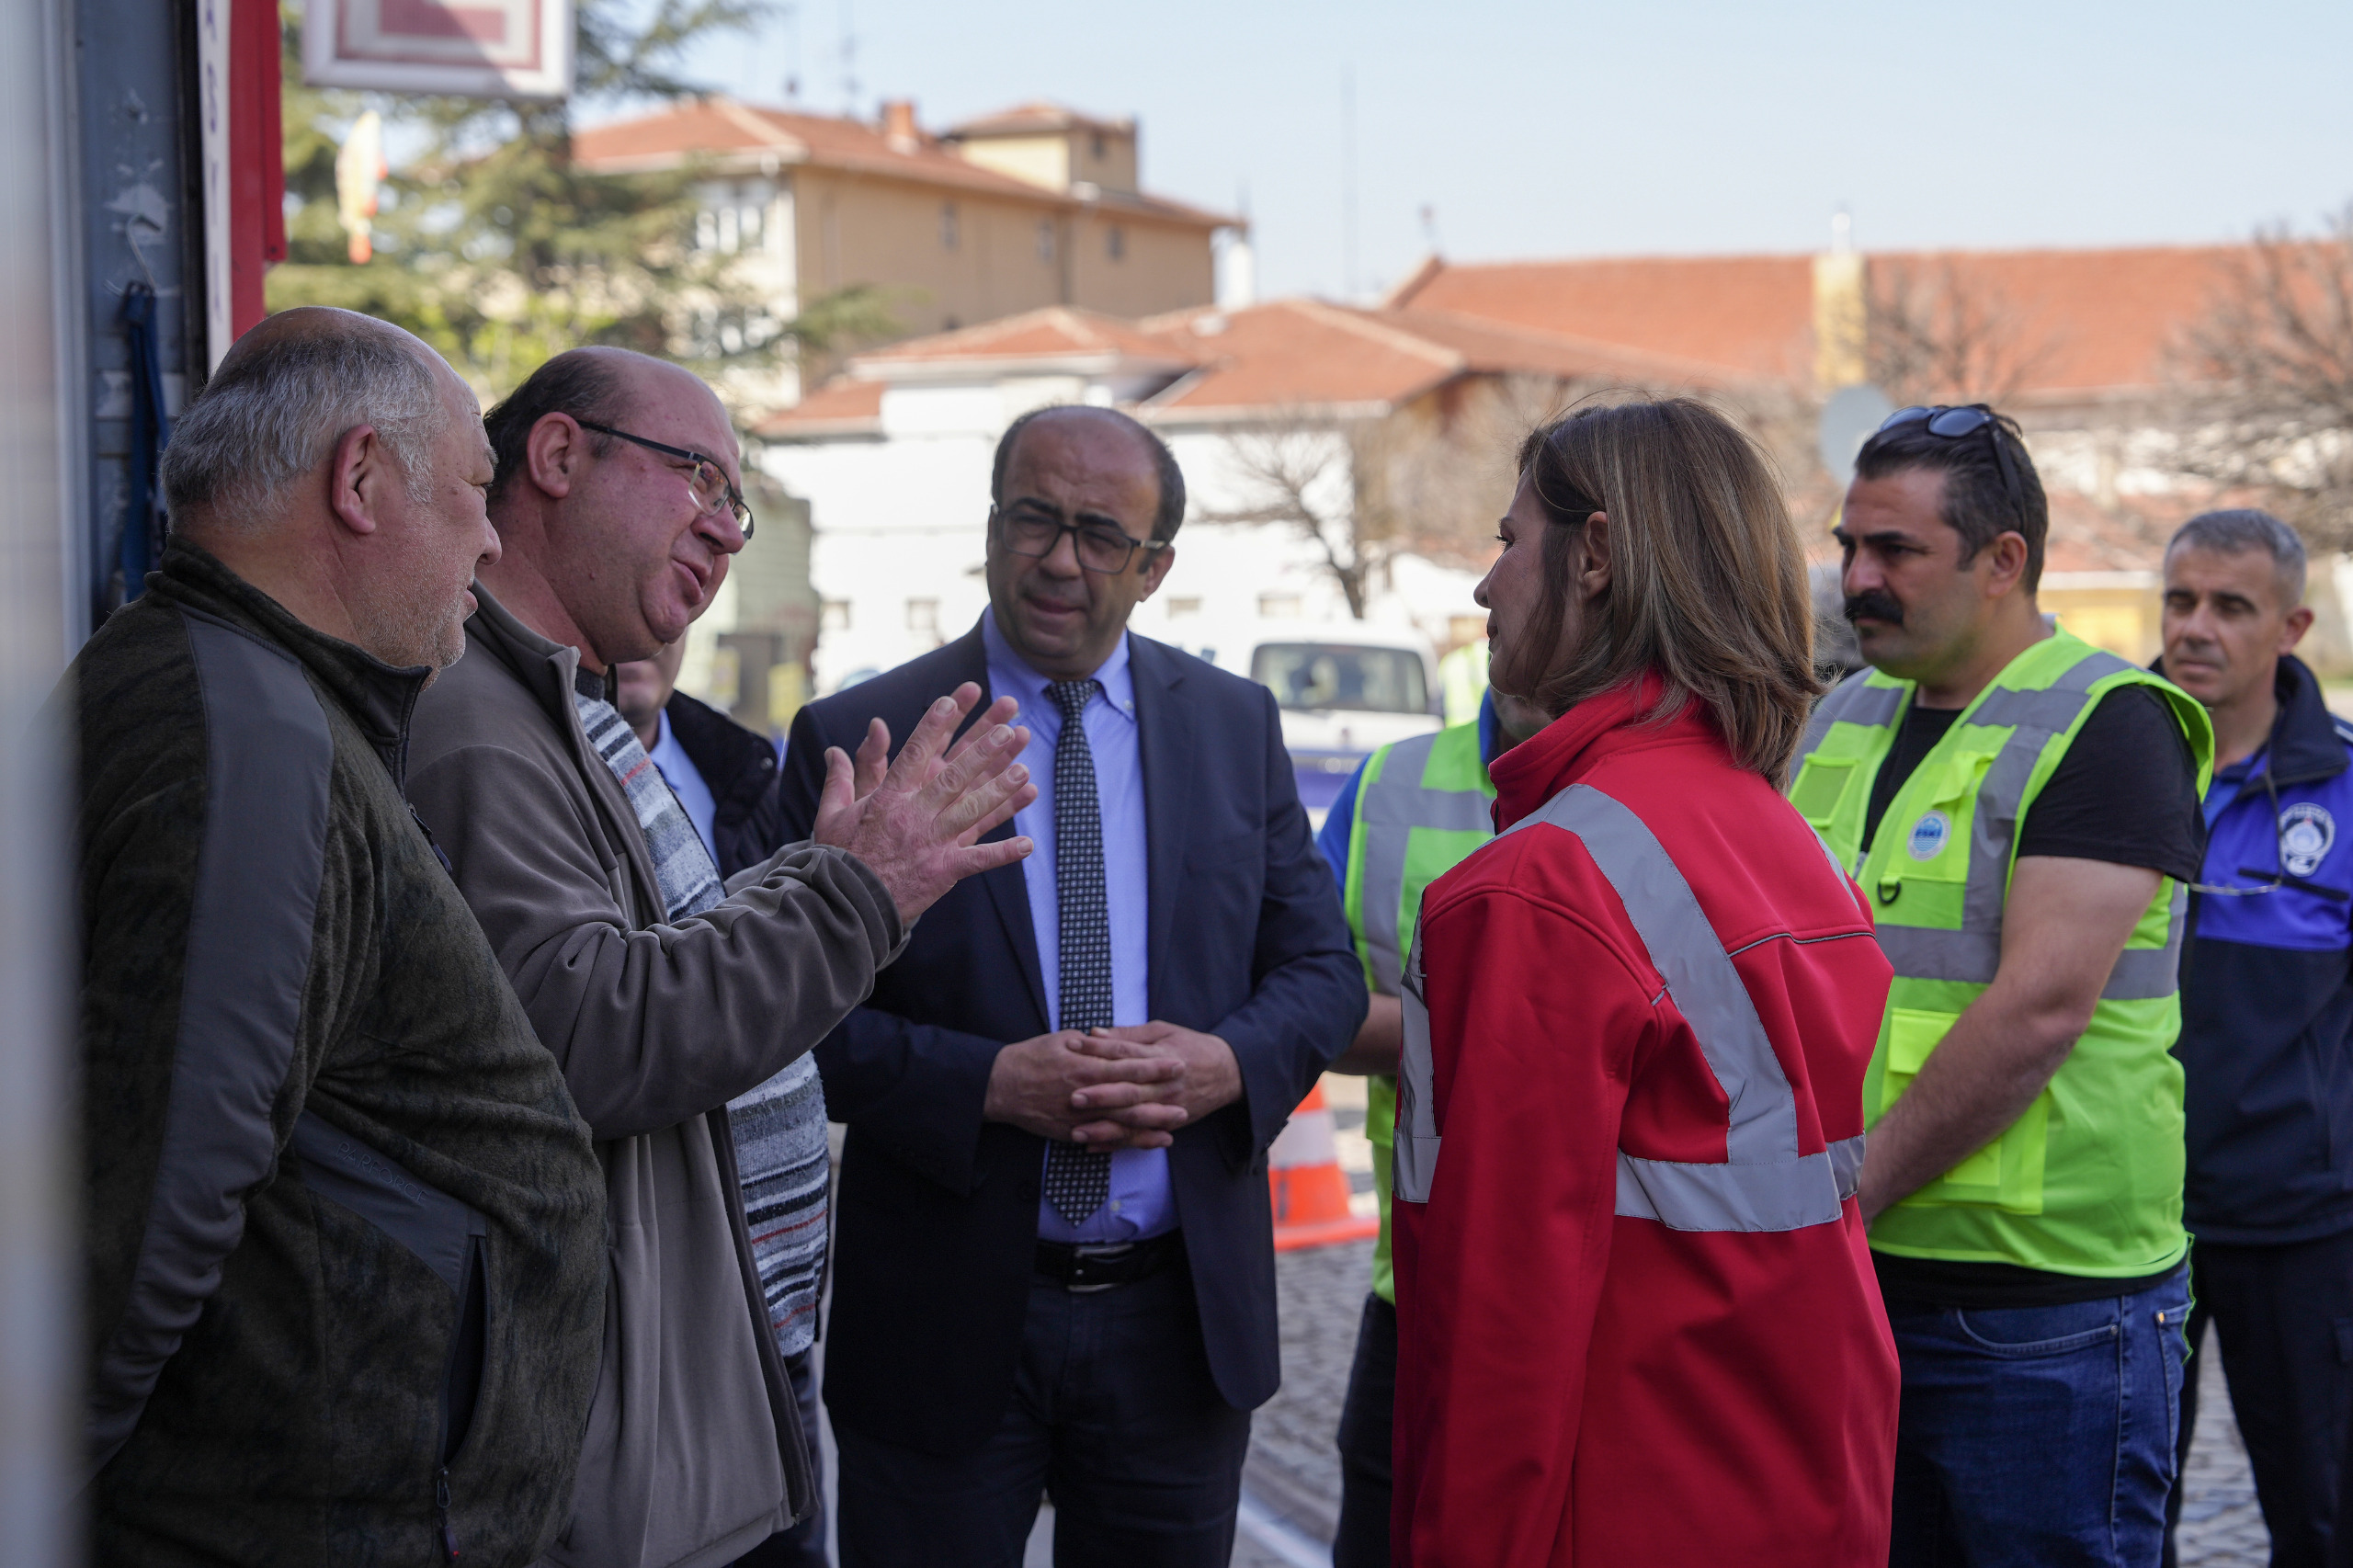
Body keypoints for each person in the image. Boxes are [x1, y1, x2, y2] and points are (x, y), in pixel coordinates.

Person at [407, 347, 1036, 1568]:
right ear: (556, 456)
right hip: (631, 1459)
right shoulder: (477, 718)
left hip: (701, 1415)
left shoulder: (555, 700)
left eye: (737, 503)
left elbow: (662, 965)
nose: (727, 531)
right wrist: (855, 890)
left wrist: (824, 880)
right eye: (699, 478)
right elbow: (598, 1037)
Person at [774, 404, 1366, 1567]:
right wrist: (989, 1083)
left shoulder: (1233, 725)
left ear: (1155, 568)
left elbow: (1320, 971)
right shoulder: (867, 732)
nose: (1058, 558)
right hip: (943, 1325)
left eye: (1100, 534)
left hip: (1176, 1326)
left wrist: (1226, 1063)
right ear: (991, 526)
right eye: (1033, 519)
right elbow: (790, 1021)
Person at [74, 308, 607, 1564]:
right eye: (478, 490)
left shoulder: (233, 688)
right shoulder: (249, 737)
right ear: (360, 479)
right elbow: (153, 1199)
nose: (488, 541)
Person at [1390, 397, 1899, 1567]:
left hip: (1625, 1504)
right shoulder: (1772, 831)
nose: (1486, 585)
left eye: (1508, 540)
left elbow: (1497, 1336)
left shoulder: (1542, 884)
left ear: (1599, 555)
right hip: (1801, 1481)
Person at [1789, 403, 2212, 1567]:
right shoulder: (1844, 715)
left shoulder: (2110, 721)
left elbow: (2038, 1011)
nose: (1857, 578)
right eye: (1848, 546)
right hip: (1864, 1275)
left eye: (1895, 552)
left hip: (2043, 1307)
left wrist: (1839, 1194)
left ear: (2002, 561)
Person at [2154, 510, 2353, 1568]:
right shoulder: (2107, 763)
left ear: (2291, 626)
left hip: (2303, 1221)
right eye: (2179, 599)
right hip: (2132, 1221)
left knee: (2319, 1518)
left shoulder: (2348, 786)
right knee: (2123, 1513)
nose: (2195, 626)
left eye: (2229, 606)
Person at [1313, 684, 1545, 1567]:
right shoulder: (1390, 783)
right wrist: (1499, 1037)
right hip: (1416, 1290)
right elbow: (1305, 999)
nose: (1492, 597)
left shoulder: (1662, 787)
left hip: (1607, 1293)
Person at [614, 641, 831, 1568]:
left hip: (771, 1307)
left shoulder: (739, 764)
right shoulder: (519, 755)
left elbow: (802, 1001)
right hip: (645, 1304)